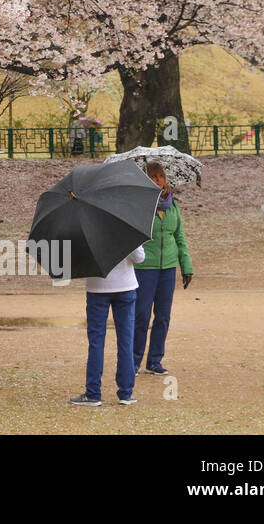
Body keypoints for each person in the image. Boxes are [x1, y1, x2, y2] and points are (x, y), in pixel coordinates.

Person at [133, 162, 193, 377]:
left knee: (163, 316)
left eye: (160, 176)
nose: (158, 180)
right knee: (141, 315)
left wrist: (186, 265)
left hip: (168, 267)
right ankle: (134, 359)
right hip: (145, 267)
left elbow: (179, 236)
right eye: (153, 176)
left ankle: (155, 360)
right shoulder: (139, 204)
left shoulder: (172, 204)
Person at [71, 242, 145, 406]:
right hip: (126, 287)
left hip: (97, 287)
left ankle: (93, 393)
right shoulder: (126, 227)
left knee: (96, 342)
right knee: (126, 341)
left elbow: (79, 262)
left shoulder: (86, 231)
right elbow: (140, 257)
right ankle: (126, 392)